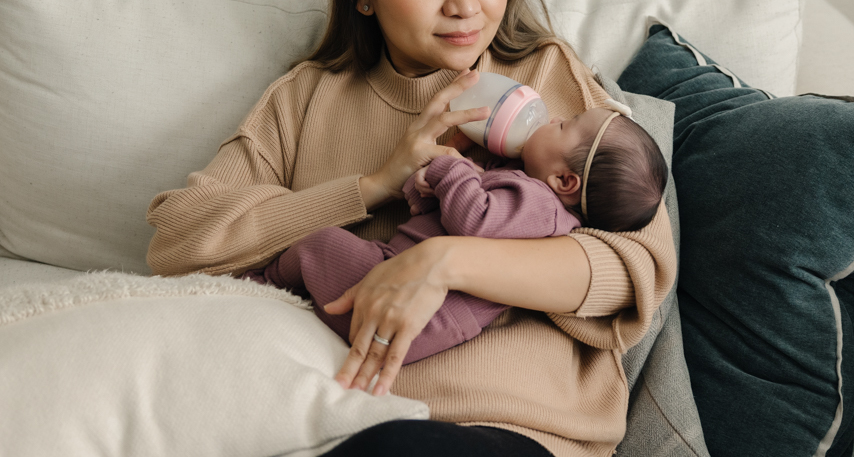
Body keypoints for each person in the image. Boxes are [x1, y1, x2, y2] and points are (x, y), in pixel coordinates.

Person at [146, 0, 675, 457]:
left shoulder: (543, 72)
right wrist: (374, 183)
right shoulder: (307, 98)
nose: (466, 6)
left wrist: (446, 261)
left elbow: (637, 268)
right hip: (340, 418)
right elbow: (177, 243)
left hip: (519, 428)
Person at [242, 102, 668, 365]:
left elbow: (473, 221)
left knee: (322, 244)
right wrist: (424, 186)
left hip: (420, 311)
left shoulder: (538, 204)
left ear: (565, 181)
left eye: (565, 125)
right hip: (414, 305)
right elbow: (458, 214)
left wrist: (452, 167)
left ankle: (265, 282)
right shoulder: (527, 197)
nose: (555, 116)